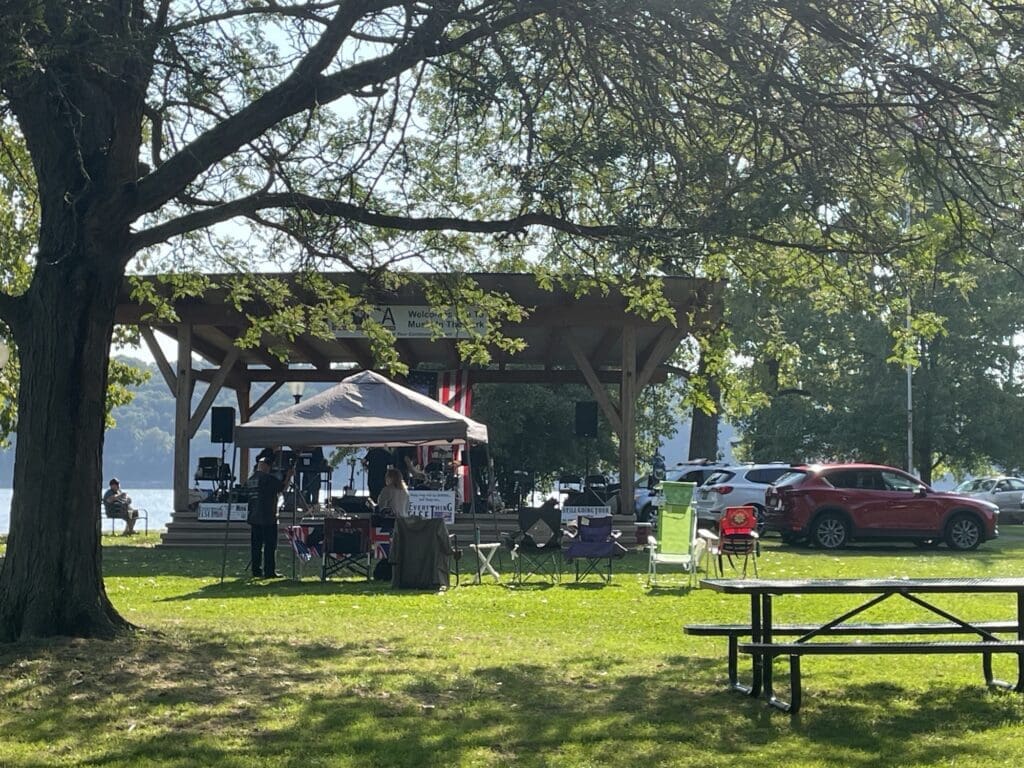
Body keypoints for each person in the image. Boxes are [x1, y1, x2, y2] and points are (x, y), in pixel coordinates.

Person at [247, 458, 293, 578]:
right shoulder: (267, 478)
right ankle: (269, 571)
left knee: (256, 546)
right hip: (268, 517)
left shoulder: (251, 479)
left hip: (253, 516)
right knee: (270, 546)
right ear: (267, 467)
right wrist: (288, 476)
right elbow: (282, 489)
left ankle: (256, 570)